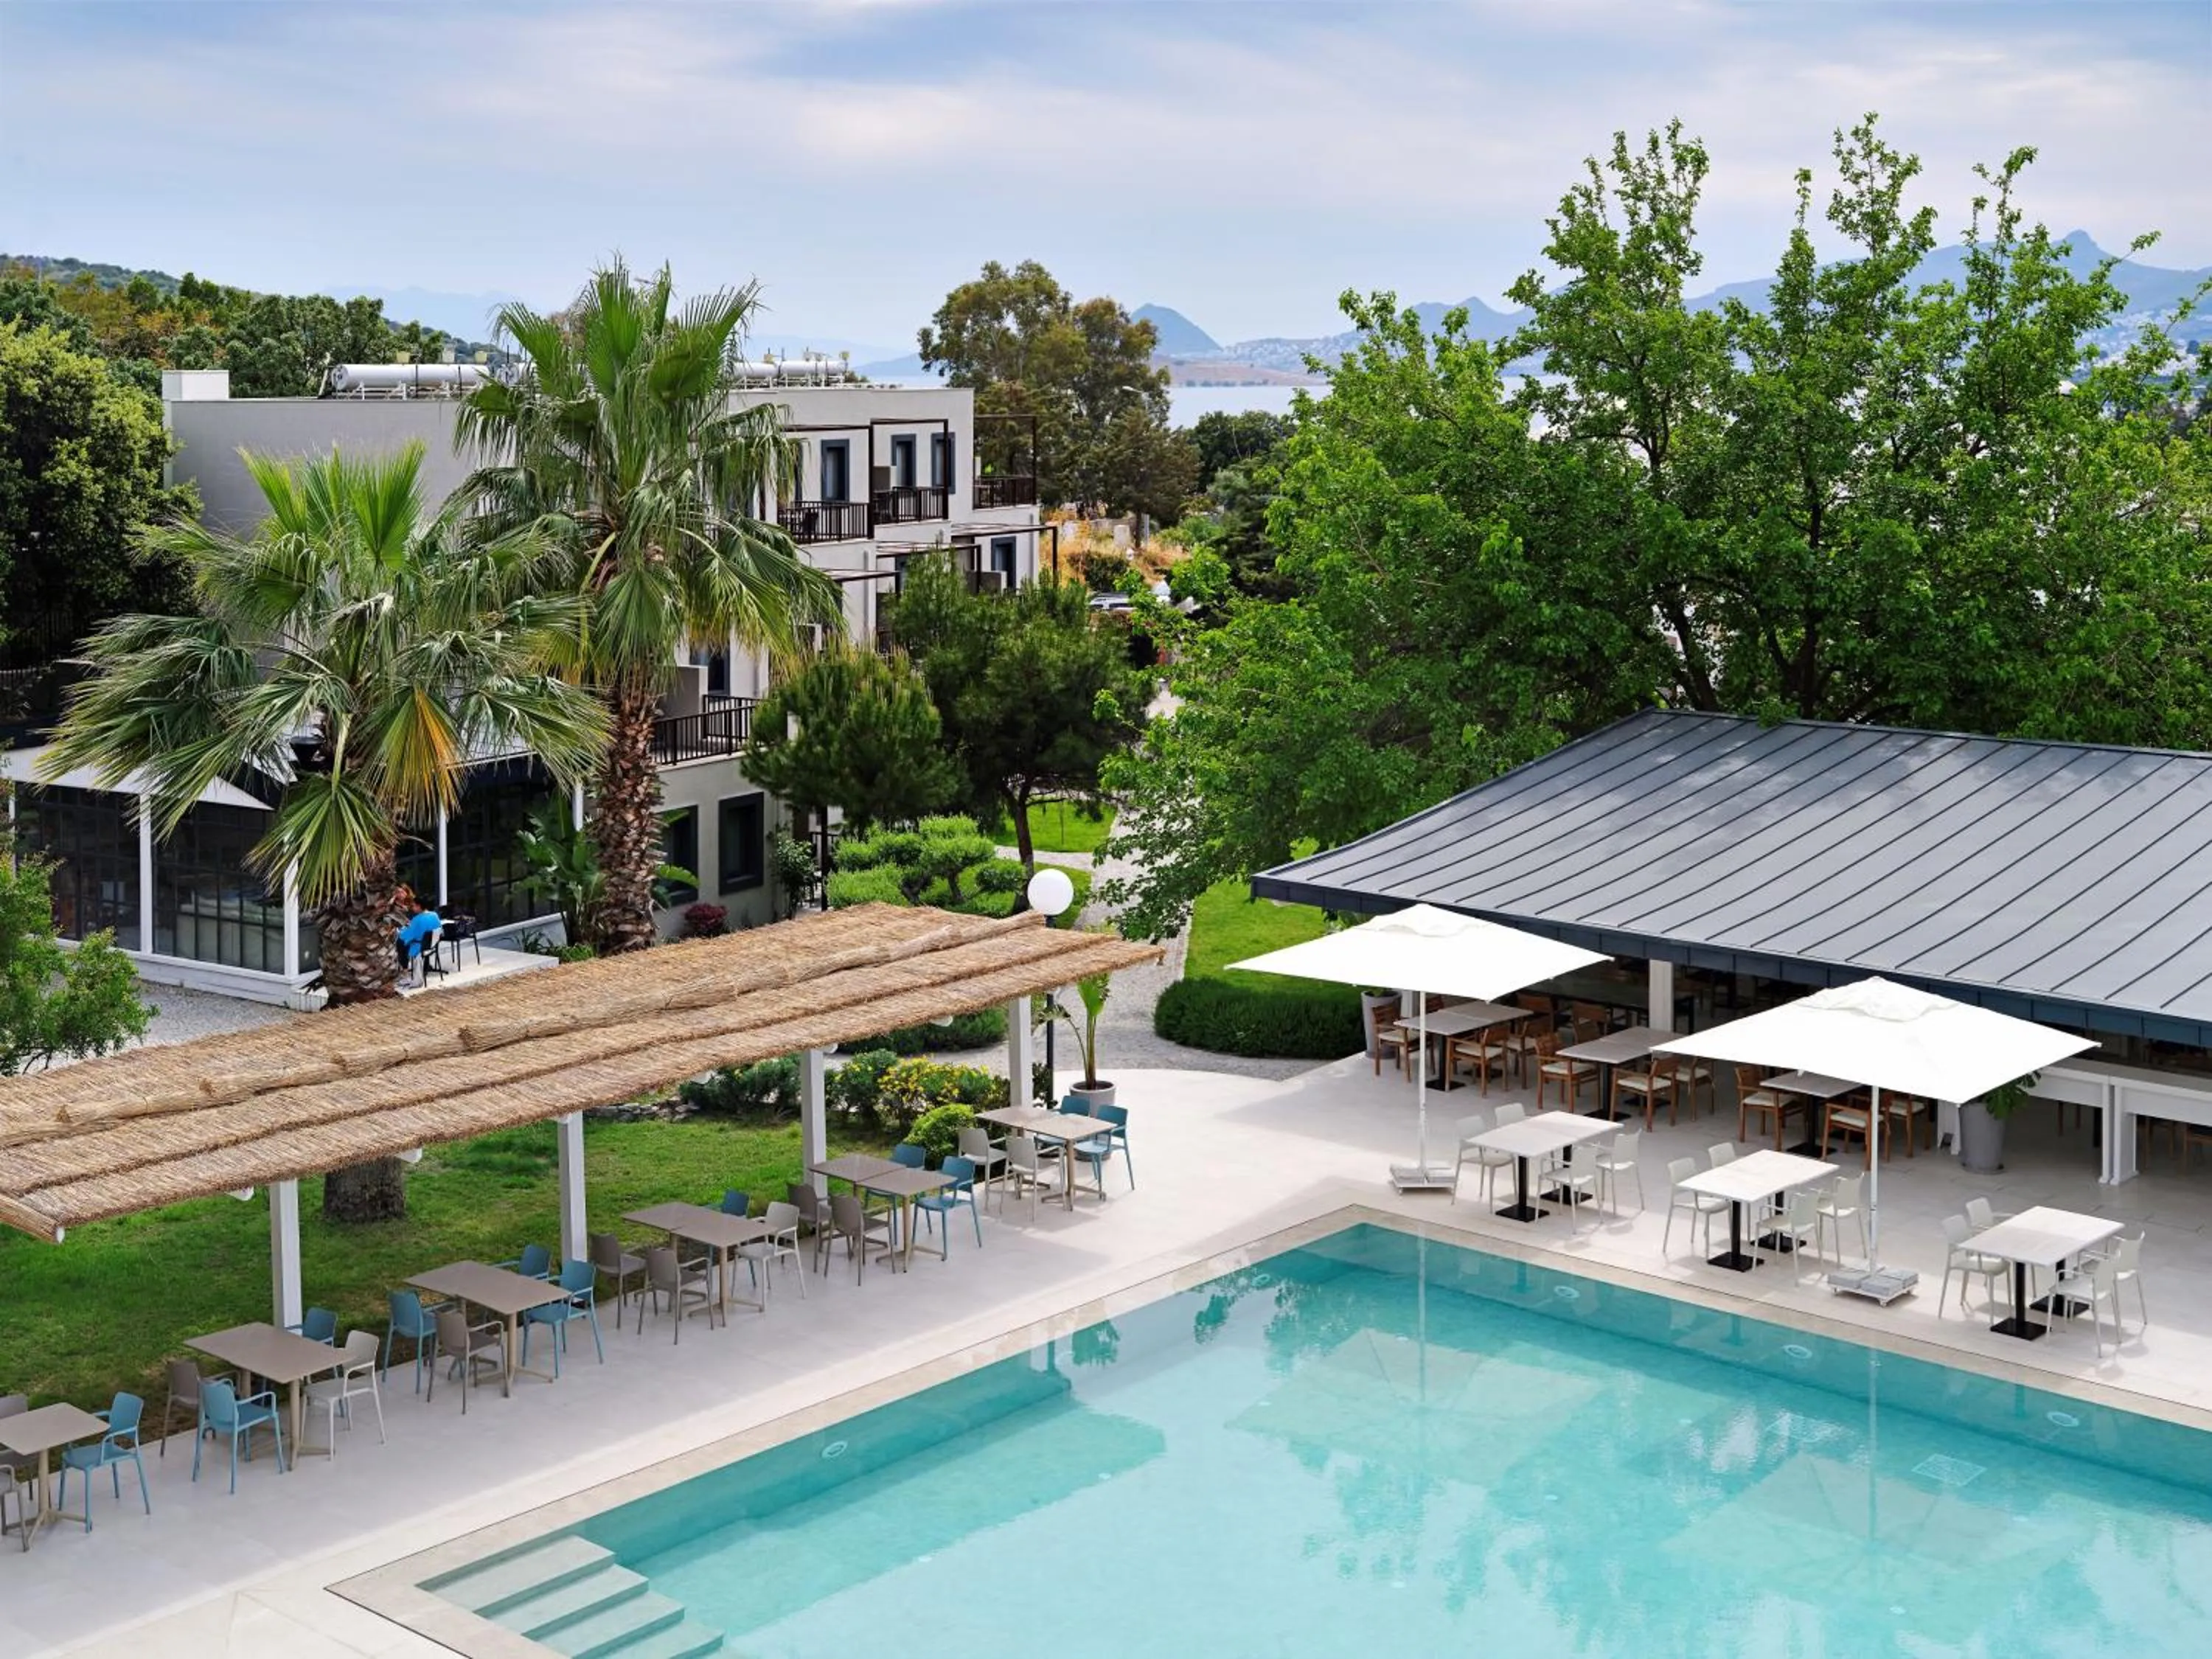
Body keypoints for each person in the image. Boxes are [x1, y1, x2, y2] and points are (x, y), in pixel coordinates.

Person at [397, 904, 443, 981]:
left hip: (419, 948)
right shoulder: (434, 915)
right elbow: (440, 930)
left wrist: (400, 932)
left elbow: (406, 935)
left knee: (400, 942)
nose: (412, 908)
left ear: (419, 906)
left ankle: (405, 969)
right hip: (432, 946)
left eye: (413, 906)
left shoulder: (417, 919)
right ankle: (426, 965)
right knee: (418, 940)